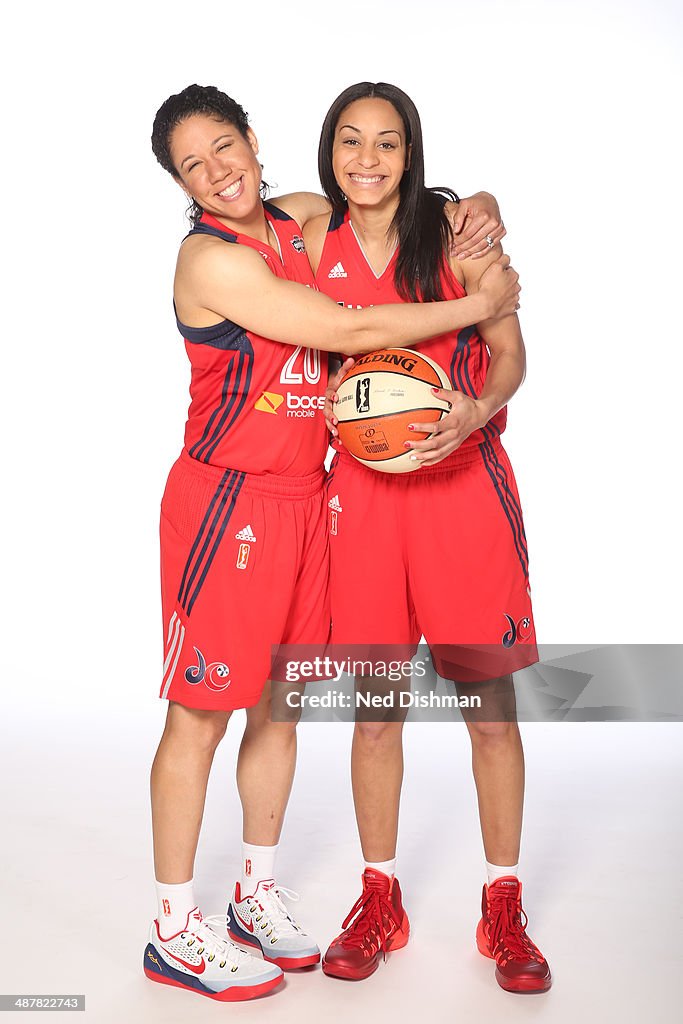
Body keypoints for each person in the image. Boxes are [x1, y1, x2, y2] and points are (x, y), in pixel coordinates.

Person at [146, 83, 520, 1002]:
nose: (217, 171)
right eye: (194, 165)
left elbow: (416, 201)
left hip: (311, 500)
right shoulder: (213, 258)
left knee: (282, 704)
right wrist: (477, 307)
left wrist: (480, 210)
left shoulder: (297, 220)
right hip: (230, 504)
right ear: (180, 184)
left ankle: (255, 894)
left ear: (253, 141)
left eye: (225, 147)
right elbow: (351, 329)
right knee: (202, 714)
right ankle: (170, 926)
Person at [305, 81, 550, 993]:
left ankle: (502, 903)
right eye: (350, 142)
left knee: (489, 711)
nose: (367, 161)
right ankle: (379, 896)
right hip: (362, 504)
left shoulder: (451, 234)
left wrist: (479, 405)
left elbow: (512, 350)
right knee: (375, 715)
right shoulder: (307, 242)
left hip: (461, 494)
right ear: (327, 151)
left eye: (388, 144)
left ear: (412, 155)